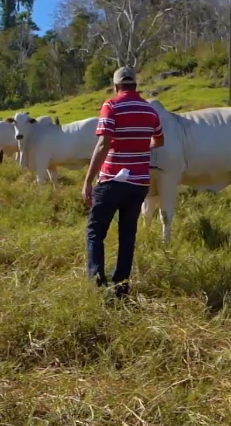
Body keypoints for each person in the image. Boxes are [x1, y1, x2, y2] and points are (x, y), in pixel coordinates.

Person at [81, 66, 164, 298]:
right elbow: (159, 140)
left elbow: (103, 144)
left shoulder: (111, 105)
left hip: (112, 181)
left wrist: (88, 180)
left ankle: (97, 286)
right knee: (128, 235)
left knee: (95, 231)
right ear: (135, 85)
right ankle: (121, 288)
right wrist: (139, 147)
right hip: (139, 184)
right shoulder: (149, 110)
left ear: (116, 86)